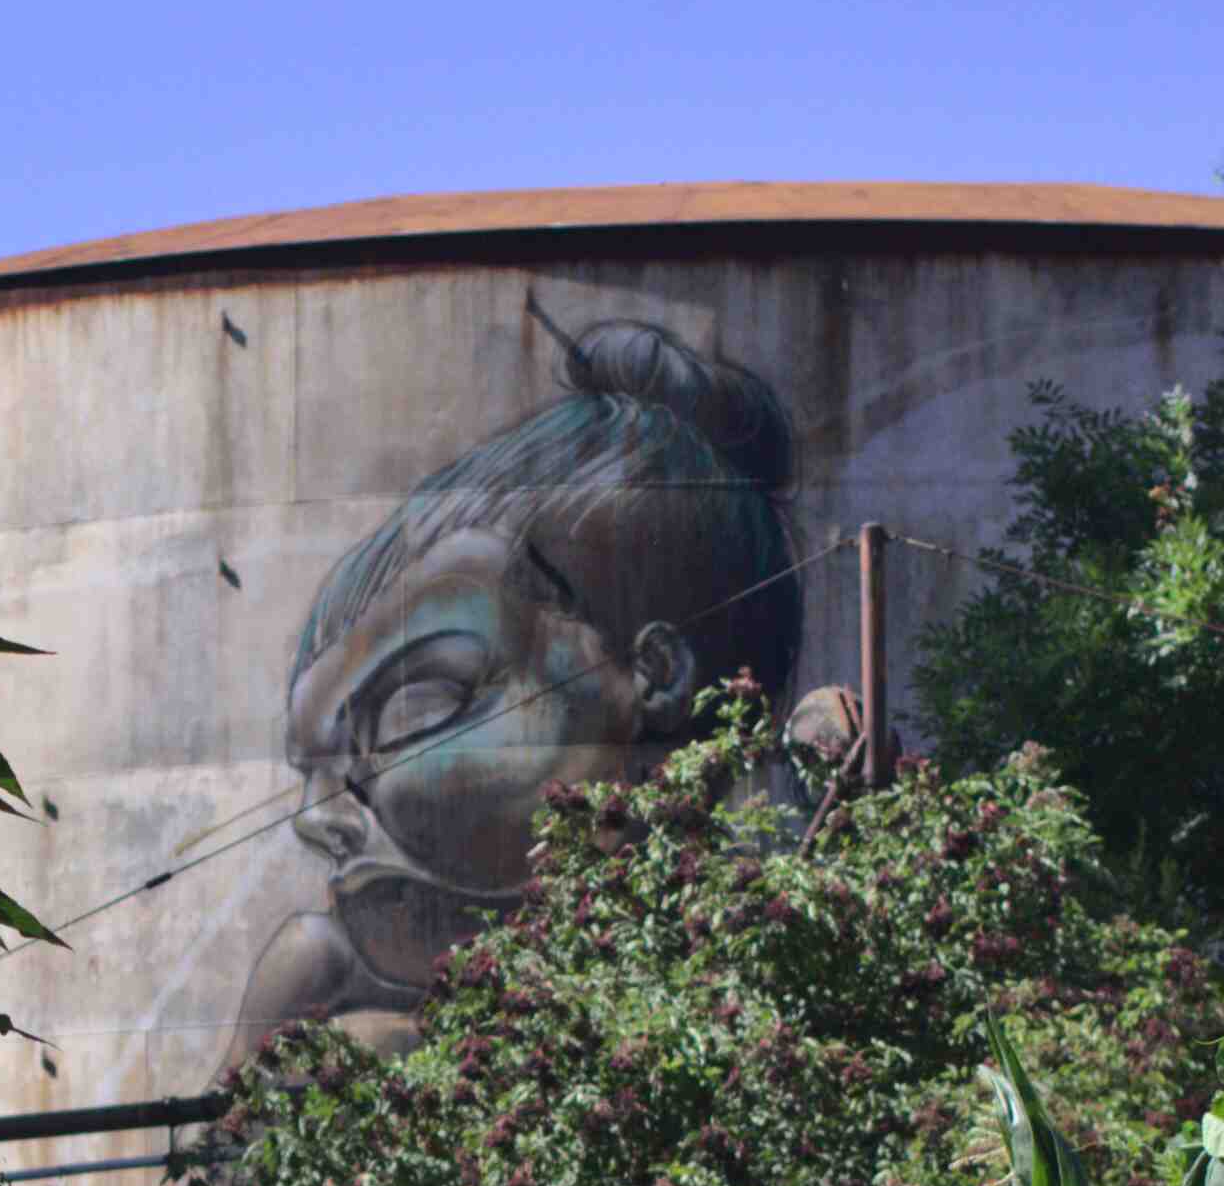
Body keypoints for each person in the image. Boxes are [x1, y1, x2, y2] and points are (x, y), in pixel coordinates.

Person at [235, 318, 804, 1058]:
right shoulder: (323, 978)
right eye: (316, 765)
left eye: (420, 705)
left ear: (654, 676)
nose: (318, 817)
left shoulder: (766, 933)